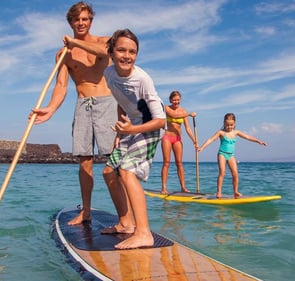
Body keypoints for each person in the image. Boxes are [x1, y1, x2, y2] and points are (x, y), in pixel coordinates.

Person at [30, 2, 116, 225]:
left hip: (107, 104)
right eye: (76, 20)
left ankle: (124, 217)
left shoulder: (104, 41)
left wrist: (75, 42)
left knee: (114, 161)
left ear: (91, 21)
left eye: (85, 19)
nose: (81, 23)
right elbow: (61, 86)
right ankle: (86, 211)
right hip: (82, 104)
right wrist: (50, 109)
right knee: (84, 162)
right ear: (70, 22)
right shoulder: (64, 54)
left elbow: (103, 53)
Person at [101, 29, 166, 249]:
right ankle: (126, 223)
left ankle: (144, 233)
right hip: (131, 128)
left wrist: (131, 130)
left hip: (150, 128)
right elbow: (121, 101)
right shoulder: (109, 74)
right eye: (121, 50)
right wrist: (122, 130)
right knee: (109, 171)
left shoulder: (143, 79)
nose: (127, 56)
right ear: (111, 51)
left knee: (127, 171)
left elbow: (161, 120)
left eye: (132, 51)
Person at [197, 113, 266, 199]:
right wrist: (202, 147)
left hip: (231, 155)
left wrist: (258, 141)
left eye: (231, 125)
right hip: (222, 154)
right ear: (224, 123)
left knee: (235, 174)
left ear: (234, 124)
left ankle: (236, 191)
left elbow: (247, 137)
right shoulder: (221, 132)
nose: (229, 127)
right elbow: (211, 139)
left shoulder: (236, 132)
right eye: (227, 125)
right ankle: (219, 191)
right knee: (222, 172)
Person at [161, 91, 196, 194]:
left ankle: (183, 187)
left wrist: (194, 140)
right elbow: (174, 115)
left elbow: (188, 128)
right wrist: (189, 114)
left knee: (179, 163)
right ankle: (163, 187)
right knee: (166, 162)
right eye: (174, 100)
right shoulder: (166, 108)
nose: (176, 102)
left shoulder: (183, 111)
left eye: (178, 100)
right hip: (167, 137)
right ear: (170, 100)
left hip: (177, 139)